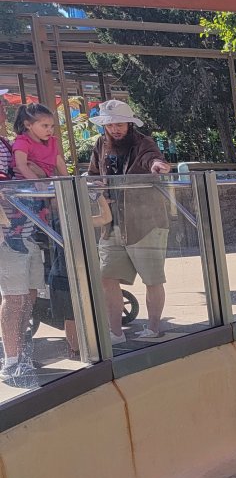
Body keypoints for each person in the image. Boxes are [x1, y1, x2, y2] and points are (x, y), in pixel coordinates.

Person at [88, 100, 173, 343]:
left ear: (129, 124)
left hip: (145, 223)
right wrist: (98, 189)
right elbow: (93, 175)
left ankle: (153, 329)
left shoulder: (143, 142)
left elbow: (152, 158)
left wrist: (158, 165)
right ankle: (115, 333)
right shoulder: (100, 144)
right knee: (106, 277)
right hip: (111, 223)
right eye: (110, 125)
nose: (115, 129)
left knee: (152, 279)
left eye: (120, 124)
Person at [5, 104, 65, 383]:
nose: (50, 130)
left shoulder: (49, 143)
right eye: (45, 125)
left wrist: (56, 184)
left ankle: (21, 354)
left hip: (36, 211)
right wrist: (39, 182)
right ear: (29, 125)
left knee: (28, 296)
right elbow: (19, 168)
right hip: (20, 208)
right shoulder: (20, 142)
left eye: (51, 126)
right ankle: (12, 359)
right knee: (16, 297)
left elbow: (58, 167)